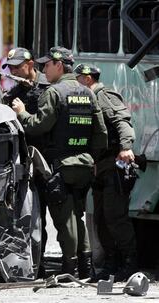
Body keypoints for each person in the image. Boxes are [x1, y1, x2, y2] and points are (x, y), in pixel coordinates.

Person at [12, 46, 107, 279]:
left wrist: (22, 112)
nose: (44, 69)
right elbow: (101, 133)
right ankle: (86, 268)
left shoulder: (54, 92)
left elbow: (38, 125)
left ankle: (69, 268)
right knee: (77, 216)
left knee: (65, 221)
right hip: (84, 164)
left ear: (58, 64)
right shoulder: (88, 93)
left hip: (60, 165)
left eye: (47, 65)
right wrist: (91, 157)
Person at [74, 63, 138, 282]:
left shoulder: (104, 95)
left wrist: (126, 146)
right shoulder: (91, 98)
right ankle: (111, 264)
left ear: (89, 78)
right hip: (100, 168)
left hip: (114, 166)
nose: (77, 83)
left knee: (115, 217)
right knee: (101, 219)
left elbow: (123, 121)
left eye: (79, 78)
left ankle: (129, 263)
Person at [2, 47, 50, 278]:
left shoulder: (48, 87)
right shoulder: (15, 93)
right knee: (32, 217)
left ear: (31, 65)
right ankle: (36, 267)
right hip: (27, 164)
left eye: (18, 67)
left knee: (61, 217)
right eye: (10, 67)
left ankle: (75, 266)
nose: (14, 71)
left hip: (50, 162)